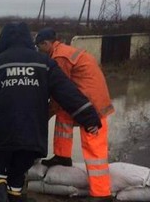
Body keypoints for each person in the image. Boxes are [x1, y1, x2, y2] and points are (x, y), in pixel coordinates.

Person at [0, 22, 102, 202]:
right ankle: (13, 195)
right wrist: (89, 117)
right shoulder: (45, 63)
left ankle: (0, 194)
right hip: (33, 135)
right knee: (17, 174)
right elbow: (67, 92)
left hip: (2, 134)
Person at [35, 27, 114, 201]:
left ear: (46, 44)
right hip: (87, 97)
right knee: (63, 117)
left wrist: (43, 115)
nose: (38, 51)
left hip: (91, 106)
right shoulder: (63, 51)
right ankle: (62, 156)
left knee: (94, 148)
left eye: (39, 47)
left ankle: (101, 193)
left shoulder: (59, 57)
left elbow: (59, 91)